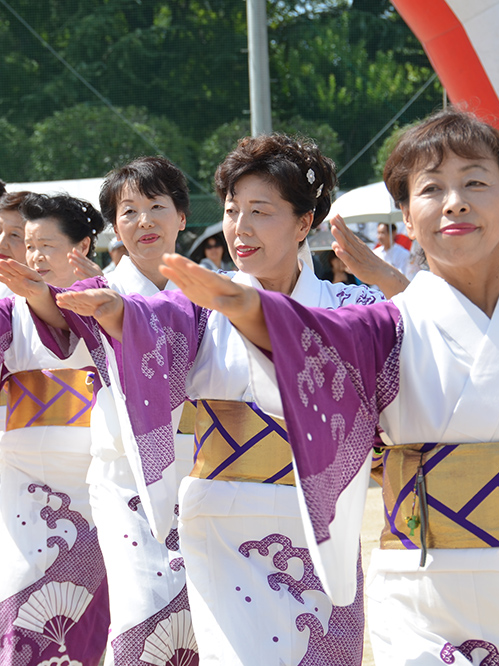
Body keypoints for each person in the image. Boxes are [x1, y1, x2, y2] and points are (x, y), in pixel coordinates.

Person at [71, 109, 499, 665]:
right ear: (406, 216)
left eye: (476, 183)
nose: (454, 202)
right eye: (431, 188)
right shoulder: (382, 328)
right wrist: (225, 307)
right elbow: (308, 343)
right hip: (421, 591)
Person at [10, 136, 405, 665]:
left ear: (304, 223)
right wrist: (117, 312)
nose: (239, 227)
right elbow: (156, 323)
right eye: (231, 210)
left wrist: (391, 280)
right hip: (223, 522)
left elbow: (418, 344)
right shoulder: (202, 304)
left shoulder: (349, 304)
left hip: (317, 520)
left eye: (259, 212)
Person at [0, 157, 199, 665]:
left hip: (195, 482)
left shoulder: (212, 296)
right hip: (87, 487)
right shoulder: (81, 299)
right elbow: (59, 320)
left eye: (158, 207)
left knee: (188, 634)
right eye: (130, 211)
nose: (34, 256)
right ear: (114, 224)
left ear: (183, 215)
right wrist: (56, 300)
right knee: (112, 626)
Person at [0, 193, 110, 666]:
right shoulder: (9, 310)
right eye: (28, 245)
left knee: (81, 629)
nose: (35, 255)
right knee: (18, 622)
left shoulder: (119, 306)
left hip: (96, 493)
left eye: (47, 244)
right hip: (23, 489)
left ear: (82, 245)